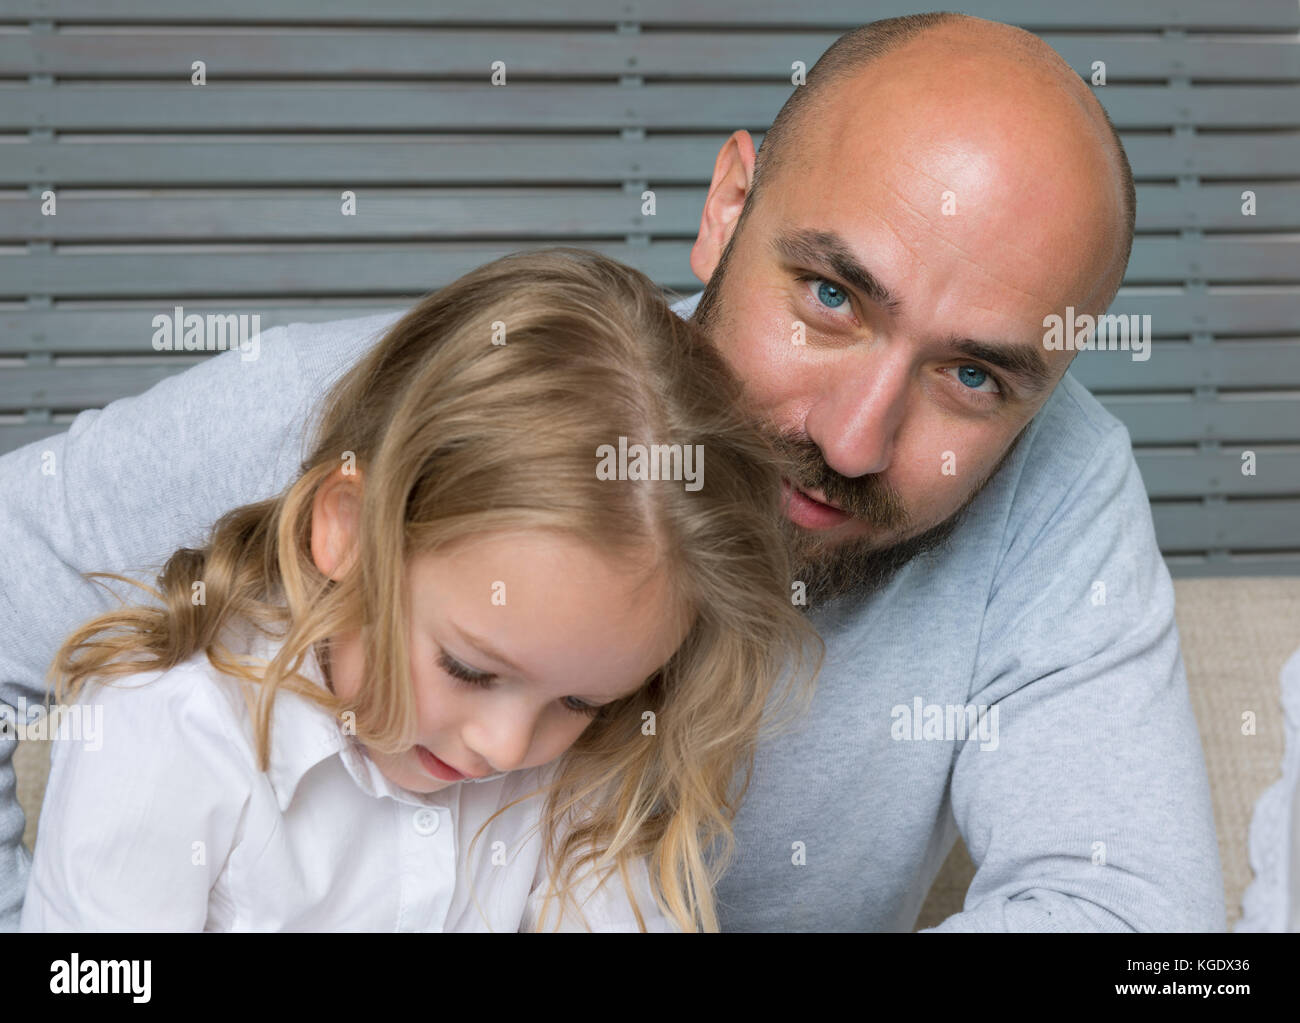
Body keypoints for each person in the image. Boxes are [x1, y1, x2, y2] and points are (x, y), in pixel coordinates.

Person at [0, 12, 1225, 931]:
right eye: (831, 296)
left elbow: (1139, 935)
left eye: (973, 377)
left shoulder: (1056, 490)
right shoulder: (370, 412)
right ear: (726, 204)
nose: (853, 441)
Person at [15, 248, 819, 932]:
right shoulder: (168, 736)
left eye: (581, 701)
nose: (506, 747)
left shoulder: (588, 777)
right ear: (349, 530)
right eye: (469, 668)